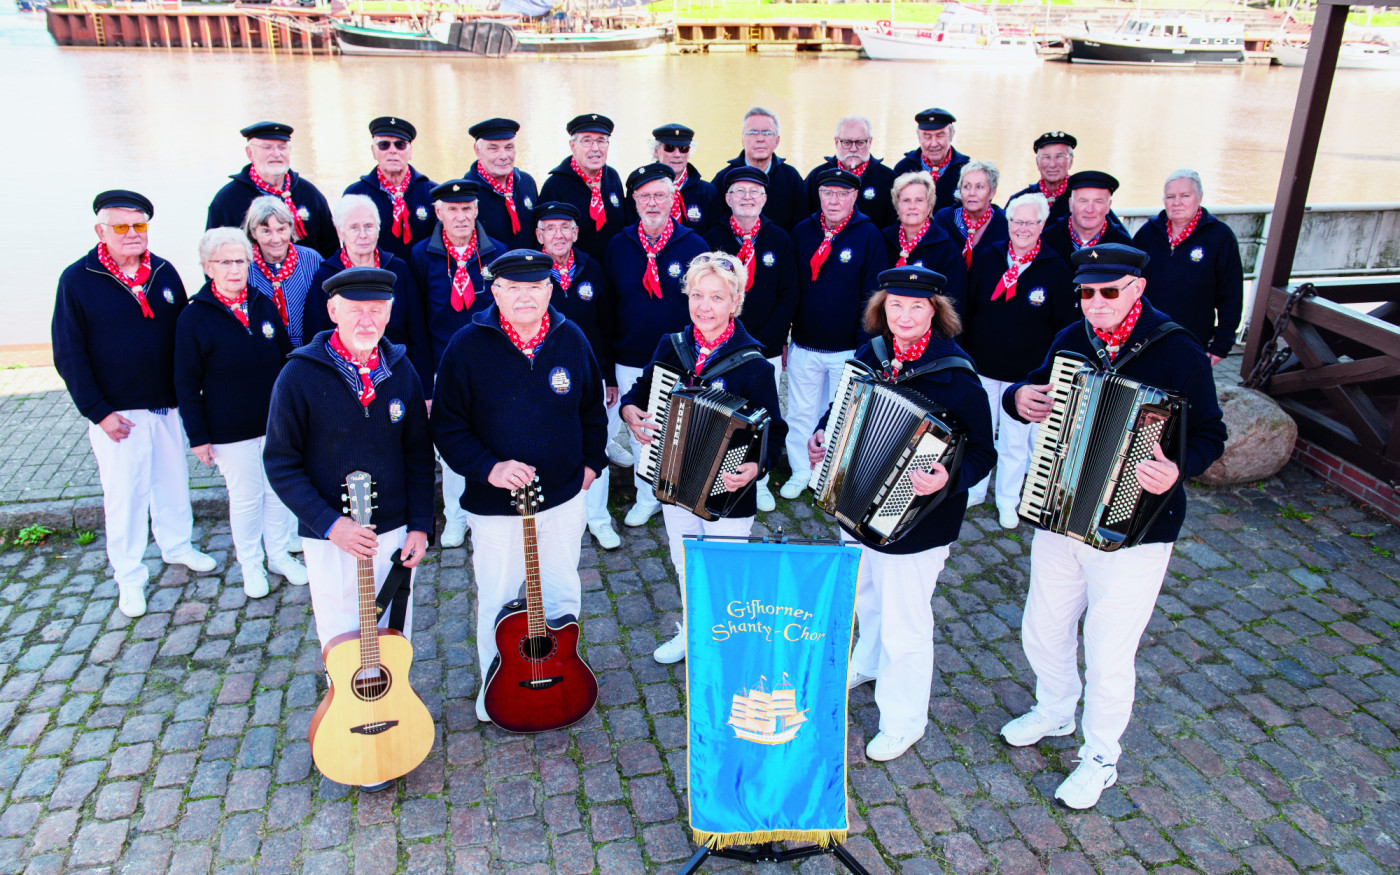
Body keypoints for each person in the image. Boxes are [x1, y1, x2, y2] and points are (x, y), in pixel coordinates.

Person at [999, 243, 1226, 809]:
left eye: (1107, 292)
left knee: (1107, 650)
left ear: (1137, 288)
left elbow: (1211, 435)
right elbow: (1030, 386)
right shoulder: (1073, 340)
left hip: (1138, 529)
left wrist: (1177, 470)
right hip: (1062, 509)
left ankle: (1101, 756)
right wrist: (1018, 396)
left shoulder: (1178, 351)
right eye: (1085, 293)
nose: (1094, 303)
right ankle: (1054, 709)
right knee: (1043, 626)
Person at [806, 266, 995, 761]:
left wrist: (946, 479)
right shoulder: (871, 353)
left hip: (920, 521)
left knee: (905, 624)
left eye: (916, 306)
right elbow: (845, 404)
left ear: (935, 311)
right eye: (895, 305)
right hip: (857, 503)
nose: (904, 315)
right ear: (881, 308)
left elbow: (982, 454)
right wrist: (824, 433)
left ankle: (904, 717)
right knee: (865, 594)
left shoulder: (956, 374)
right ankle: (867, 660)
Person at [430, 250, 607, 724]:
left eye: (536, 287)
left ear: (550, 290)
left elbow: (592, 410)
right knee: (498, 594)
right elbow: (447, 427)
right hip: (494, 505)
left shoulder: (571, 338)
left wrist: (591, 465)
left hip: (564, 498)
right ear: (496, 291)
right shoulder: (466, 347)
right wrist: (488, 468)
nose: (526, 295)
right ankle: (498, 685)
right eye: (514, 287)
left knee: (562, 590)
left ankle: (561, 674)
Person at [52, 190, 217, 619]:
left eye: (138, 226)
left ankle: (177, 545)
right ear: (100, 230)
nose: (131, 234)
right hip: (117, 413)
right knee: (125, 497)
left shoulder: (162, 272)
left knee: (171, 483)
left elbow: (185, 337)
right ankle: (129, 575)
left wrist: (192, 399)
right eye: (121, 226)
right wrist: (99, 412)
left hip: (166, 405)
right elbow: (69, 354)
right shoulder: (78, 280)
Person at [621, 252, 787, 664]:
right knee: (685, 560)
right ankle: (693, 630)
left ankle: (725, 640)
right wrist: (630, 412)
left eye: (716, 297)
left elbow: (774, 431)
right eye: (697, 295)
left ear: (735, 302)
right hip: (674, 479)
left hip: (729, 493)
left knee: (724, 566)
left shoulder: (754, 364)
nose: (705, 306)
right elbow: (639, 393)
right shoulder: (671, 347)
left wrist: (756, 467)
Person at [263, 267, 433, 654]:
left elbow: (418, 454)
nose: (366, 319)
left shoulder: (402, 370)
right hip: (331, 537)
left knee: (393, 635)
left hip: (393, 529)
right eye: (355, 309)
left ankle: (395, 709)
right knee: (341, 643)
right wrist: (329, 525)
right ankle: (347, 713)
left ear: (390, 313)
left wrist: (420, 525)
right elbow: (280, 464)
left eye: (376, 309)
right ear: (332, 311)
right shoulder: (298, 376)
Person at [174, 228, 306, 598]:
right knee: (247, 498)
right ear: (207, 267)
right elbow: (185, 382)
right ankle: (251, 563)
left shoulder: (261, 303)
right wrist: (198, 437)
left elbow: (285, 359)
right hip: (229, 430)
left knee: (278, 492)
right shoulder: (194, 318)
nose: (235, 269)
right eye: (225, 262)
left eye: (241, 261)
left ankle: (279, 554)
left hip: (274, 422)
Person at [962, 193, 1076, 527]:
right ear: (1007, 222)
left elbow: (1062, 328)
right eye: (1016, 221)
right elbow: (967, 309)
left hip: (1025, 375)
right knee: (979, 431)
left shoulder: (1055, 269)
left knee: (1015, 439)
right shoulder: (988, 258)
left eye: (1030, 222)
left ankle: (1009, 499)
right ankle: (975, 488)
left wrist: (1048, 372)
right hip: (981, 366)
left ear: (1042, 224)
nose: (1022, 228)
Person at [605, 163, 710, 527]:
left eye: (660, 195)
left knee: (681, 424)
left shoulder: (694, 245)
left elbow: (704, 304)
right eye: (645, 195)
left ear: (673, 199)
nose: (653, 203)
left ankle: (681, 489)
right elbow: (609, 306)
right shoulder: (619, 245)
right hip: (631, 354)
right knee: (641, 429)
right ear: (634, 200)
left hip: (679, 357)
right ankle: (646, 493)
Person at [409, 179, 505, 548]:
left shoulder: (498, 253)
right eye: (452, 209)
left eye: (467, 208)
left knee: (492, 436)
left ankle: (489, 505)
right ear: (438, 213)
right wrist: (427, 386)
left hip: (489, 365)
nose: (461, 216)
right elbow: (417, 325)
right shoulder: (421, 256)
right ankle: (455, 516)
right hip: (443, 367)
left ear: (477, 210)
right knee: (451, 443)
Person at [781, 167, 887, 500]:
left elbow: (873, 296)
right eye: (828, 193)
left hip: (846, 348)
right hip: (805, 342)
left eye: (842, 194)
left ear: (855, 197)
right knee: (801, 411)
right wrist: (787, 335)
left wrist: (862, 346)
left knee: (840, 413)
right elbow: (791, 288)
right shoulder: (802, 231)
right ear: (819, 195)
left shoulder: (869, 235)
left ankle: (832, 473)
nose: (834, 200)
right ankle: (801, 470)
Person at [703, 166, 800, 512]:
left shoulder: (780, 239)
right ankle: (712, 473)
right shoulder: (711, 238)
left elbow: (789, 293)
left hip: (763, 349)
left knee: (761, 416)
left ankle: (756, 479)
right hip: (721, 349)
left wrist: (766, 341)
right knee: (723, 414)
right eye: (739, 191)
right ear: (728, 198)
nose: (747, 197)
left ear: (764, 199)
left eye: (754, 192)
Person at [535, 200, 624, 550]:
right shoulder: (530, 272)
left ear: (575, 232)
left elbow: (607, 326)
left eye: (565, 227)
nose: (558, 234)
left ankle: (598, 517)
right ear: (539, 235)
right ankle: (551, 515)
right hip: (542, 375)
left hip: (589, 374)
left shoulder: (593, 269)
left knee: (594, 441)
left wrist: (609, 375)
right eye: (550, 228)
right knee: (547, 441)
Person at [306, 194, 433, 395]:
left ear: (378, 229)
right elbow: (315, 335)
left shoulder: (398, 270)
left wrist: (426, 390)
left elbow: (418, 332)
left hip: (397, 373)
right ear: (340, 232)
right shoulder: (326, 276)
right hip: (343, 382)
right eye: (354, 228)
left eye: (369, 226)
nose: (363, 234)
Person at [1132, 169, 1244, 365]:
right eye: (1170, 196)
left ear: (1199, 197)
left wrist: (1221, 346)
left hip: (1192, 340)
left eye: (1185, 195)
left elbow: (1231, 295)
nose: (1177, 202)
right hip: (1145, 338)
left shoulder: (1220, 237)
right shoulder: (1148, 233)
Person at [207, 122, 338, 257]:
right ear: (250, 153)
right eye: (267, 147)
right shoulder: (227, 200)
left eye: (282, 147)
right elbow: (213, 257)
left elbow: (330, 250)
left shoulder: (310, 194)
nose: (276, 154)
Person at [344, 116, 436, 262]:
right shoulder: (355, 195)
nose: (392, 151)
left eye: (400, 144)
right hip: (377, 279)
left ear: (410, 151)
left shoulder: (433, 193)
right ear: (373, 151)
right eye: (384, 145)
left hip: (422, 280)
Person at [539, 114, 626, 263]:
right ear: (573, 146)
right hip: (579, 275)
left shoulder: (612, 177)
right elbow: (545, 241)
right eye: (587, 141)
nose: (595, 149)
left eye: (601, 141)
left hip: (615, 267)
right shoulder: (555, 185)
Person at [243, 196, 324, 348]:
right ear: (253, 233)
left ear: (290, 228)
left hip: (310, 350)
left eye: (281, 229)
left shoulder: (313, 260)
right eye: (266, 231)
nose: (276, 239)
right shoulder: (244, 266)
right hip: (264, 351)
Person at [883, 172, 967, 316]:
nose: (912, 206)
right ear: (897, 206)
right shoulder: (883, 240)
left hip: (928, 332)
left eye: (919, 200)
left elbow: (954, 304)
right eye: (906, 200)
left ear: (930, 206)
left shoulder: (946, 249)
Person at [711, 107, 808, 231]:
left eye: (767, 133)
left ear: (777, 140)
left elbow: (801, 225)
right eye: (752, 133)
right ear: (742, 140)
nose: (760, 138)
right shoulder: (724, 178)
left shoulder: (791, 178)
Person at [803, 115, 897, 229]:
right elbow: (805, 220)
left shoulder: (887, 178)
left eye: (860, 142)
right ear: (836, 142)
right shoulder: (817, 177)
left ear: (870, 142)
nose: (853, 149)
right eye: (847, 142)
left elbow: (893, 226)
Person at [464, 117, 539, 251]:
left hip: (529, 267)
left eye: (509, 147)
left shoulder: (526, 182)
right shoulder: (466, 193)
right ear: (477, 150)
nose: (504, 156)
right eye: (494, 149)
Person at [636, 123, 718, 234]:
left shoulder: (707, 192)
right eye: (669, 148)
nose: (677, 154)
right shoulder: (641, 190)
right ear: (656, 151)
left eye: (683, 149)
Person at [1040, 171, 1133, 264]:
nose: (1090, 209)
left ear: (1108, 206)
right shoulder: (1046, 241)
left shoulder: (1123, 246)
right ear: (1071, 204)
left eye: (1098, 201)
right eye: (1083, 201)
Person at [933, 160, 1008, 273]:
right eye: (967, 186)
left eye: (979, 187)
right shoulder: (944, 219)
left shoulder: (1004, 223)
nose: (972, 193)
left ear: (992, 192)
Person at [890, 108, 970, 214]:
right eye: (927, 136)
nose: (934, 144)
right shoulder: (903, 169)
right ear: (919, 137)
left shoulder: (966, 171)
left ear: (952, 135)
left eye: (940, 136)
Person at [1003, 131, 1078, 226]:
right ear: (1037, 163)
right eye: (1046, 157)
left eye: (1059, 157)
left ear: (1070, 161)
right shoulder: (1019, 200)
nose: (1052, 164)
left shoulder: (1081, 200)